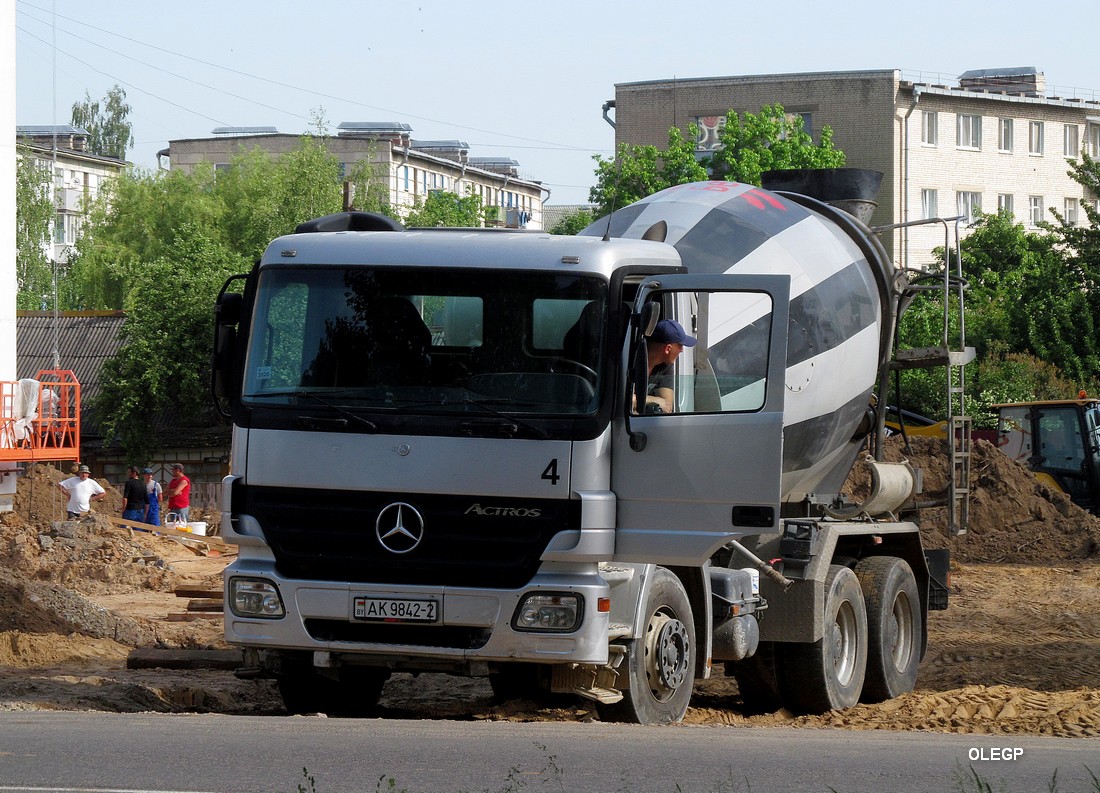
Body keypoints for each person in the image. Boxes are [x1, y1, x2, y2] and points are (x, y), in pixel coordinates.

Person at [643, 318, 696, 414]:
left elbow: (667, 406)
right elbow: (622, 400)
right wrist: (653, 400)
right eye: (680, 345)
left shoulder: (666, 365)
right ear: (668, 348)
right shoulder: (631, 361)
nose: (682, 350)